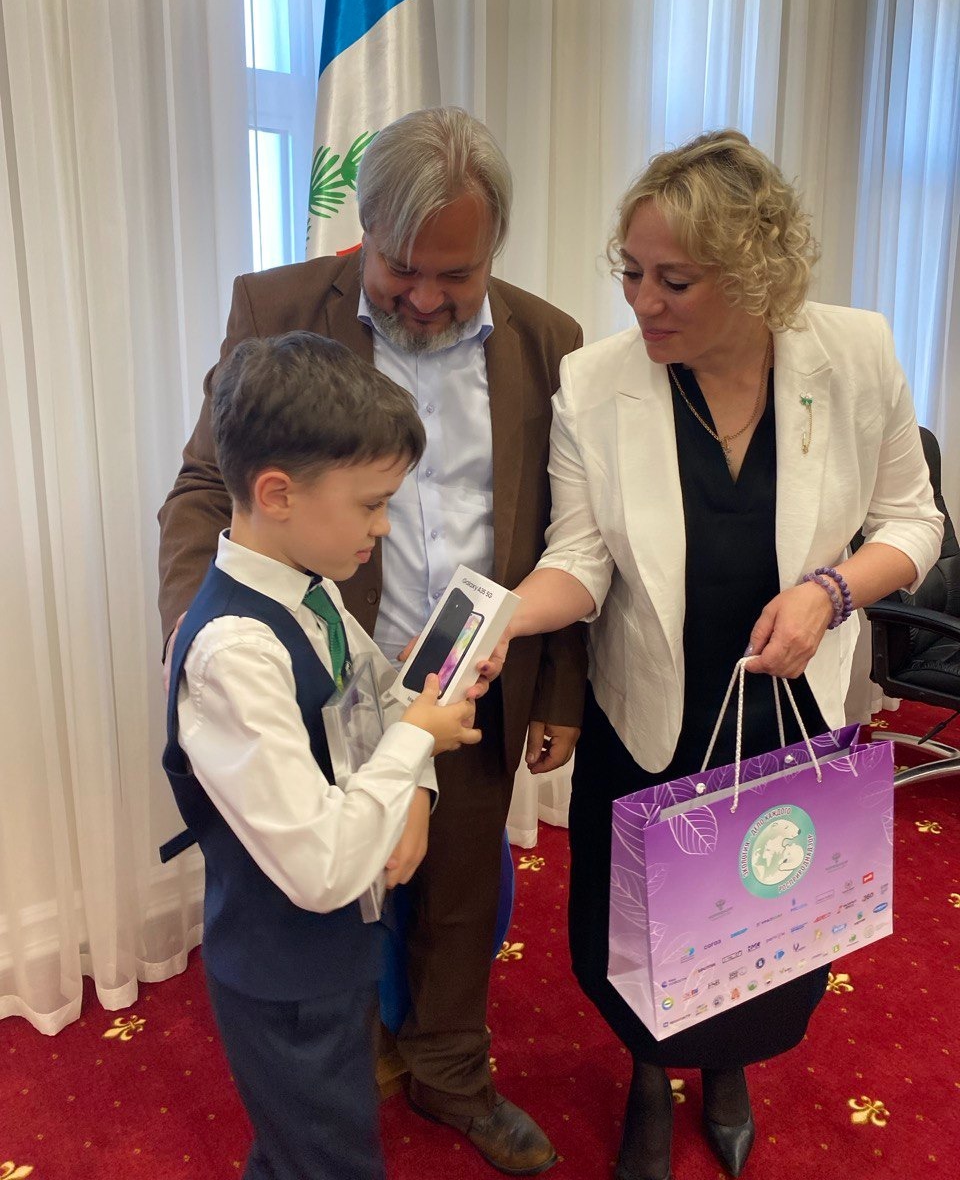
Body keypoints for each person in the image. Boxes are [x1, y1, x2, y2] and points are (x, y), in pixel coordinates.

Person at [504, 130, 944, 1180]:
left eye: (674, 280)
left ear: (754, 275)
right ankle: (649, 1077)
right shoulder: (594, 383)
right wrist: (507, 617)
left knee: (769, 908)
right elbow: (580, 558)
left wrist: (831, 591)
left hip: (790, 707)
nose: (641, 302)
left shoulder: (855, 354)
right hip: (653, 709)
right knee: (640, 927)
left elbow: (914, 522)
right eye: (631, 271)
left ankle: (729, 1064)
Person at [158, 106, 586, 1175]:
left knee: (457, 896)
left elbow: (569, 530)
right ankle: (334, 1080)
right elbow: (210, 484)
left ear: (495, 248)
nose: (428, 297)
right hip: (307, 670)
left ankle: (450, 1072)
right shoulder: (276, 308)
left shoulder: (550, 340)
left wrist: (558, 692)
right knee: (325, 900)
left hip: (468, 674)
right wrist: (197, 646)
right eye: (403, 269)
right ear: (364, 232)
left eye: (458, 274)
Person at [163, 331, 484, 1180]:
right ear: (277, 493)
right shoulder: (235, 653)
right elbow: (320, 869)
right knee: (326, 1156)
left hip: (335, 949)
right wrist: (417, 739)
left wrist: (417, 723)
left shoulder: (315, 592)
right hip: (286, 972)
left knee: (314, 1139)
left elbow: (371, 696)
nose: (385, 527)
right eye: (372, 504)